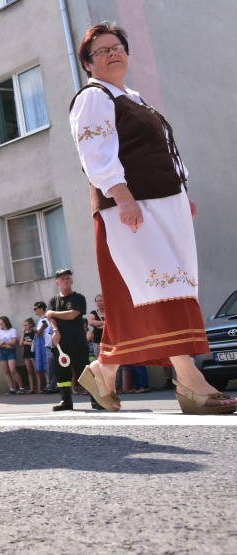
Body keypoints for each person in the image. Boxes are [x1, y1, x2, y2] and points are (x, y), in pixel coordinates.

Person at [69, 21, 235, 415]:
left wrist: (182, 193)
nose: (113, 53)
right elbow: (96, 154)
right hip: (132, 208)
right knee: (163, 290)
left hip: (163, 205)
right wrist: (122, 196)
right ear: (88, 64)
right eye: (102, 51)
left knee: (148, 292)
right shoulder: (93, 97)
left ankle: (103, 370)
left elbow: (162, 151)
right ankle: (191, 381)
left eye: (118, 46)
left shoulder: (136, 98)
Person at [47, 269, 89, 411]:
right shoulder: (53, 300)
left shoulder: (78, 298)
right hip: (60, 344)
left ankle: (96, 399)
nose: (65, 280)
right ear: (57, 282)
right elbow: (50, 318)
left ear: (71, 281)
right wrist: (56, 330)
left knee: (83, 371)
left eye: (67, 278)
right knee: (62, 373)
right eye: (62, 278)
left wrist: (53, 313)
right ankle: (66, 401)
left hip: (77, 341)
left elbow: (72, 315)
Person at [0, 316, 25, 395]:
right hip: (2, 351)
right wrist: (5, 344)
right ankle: (12, 389)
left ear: (6, 322)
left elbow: (14, 342)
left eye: (2, 322)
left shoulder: (12, 330)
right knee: (6, 371)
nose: (1, 324)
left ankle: (21, 388)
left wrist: (4, 343)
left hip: (11, 351)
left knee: (13, 370)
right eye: (0, 323)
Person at [34, 302, 55, 394]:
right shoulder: (43, 319)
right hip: (48, 345)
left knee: (50, 366)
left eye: (36, 308)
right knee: (50, 366)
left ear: (42, 309)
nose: (35, 310)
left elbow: (39, 333)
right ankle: (50, 385)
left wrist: (36, 330)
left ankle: (51, 386)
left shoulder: (44, 319)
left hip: (50, 345)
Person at [20, 318, 38, 394]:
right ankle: (31, 388)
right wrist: (23, 333)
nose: (25, 326)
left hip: (33, 353)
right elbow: (21, 343)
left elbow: (34, 343)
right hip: (26, 353)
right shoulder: (26, 334)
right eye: (24, 325)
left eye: (26, 325)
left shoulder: (34, 333)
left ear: (30, 324)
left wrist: (26, 343)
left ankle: (39, 387)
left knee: (36, 370)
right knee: (29, 371)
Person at [88, 294, 104, 359]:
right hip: (97, 341)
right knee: (99, 359)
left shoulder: (109, 312)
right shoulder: (93, 313)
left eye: (101, 301)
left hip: (109, 341)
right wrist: (104, 322)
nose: (99, 303)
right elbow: (91, 322)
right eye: (97, 301)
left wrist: (98, 324)